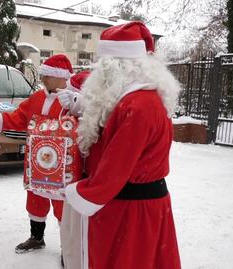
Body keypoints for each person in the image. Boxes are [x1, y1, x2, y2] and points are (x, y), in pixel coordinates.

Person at [60, 22, 182, 269]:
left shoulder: (137, 106)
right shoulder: (137, 99)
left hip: (130, 211)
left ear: (115, 68)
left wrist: (80, 192)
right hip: (137, 207)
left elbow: (114, 170)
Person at [0, 54, 73, 253]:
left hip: (63, 165)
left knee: (63, 206)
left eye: (47, 75)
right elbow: (20, 117)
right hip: (36, 162)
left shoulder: (73, 99)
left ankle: (68, 248)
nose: (43, 79)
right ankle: (36, 237)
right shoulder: (38, 97)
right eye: (43, 75)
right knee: (36, 197)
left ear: (61, 77)